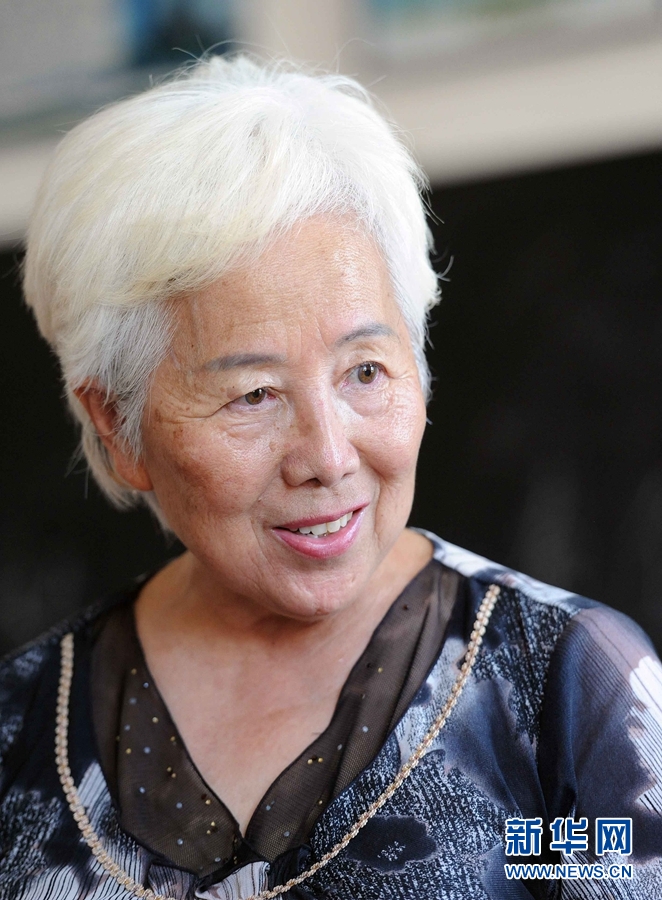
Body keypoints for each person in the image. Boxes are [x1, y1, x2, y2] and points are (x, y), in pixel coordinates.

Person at [1, 55, 661, 900]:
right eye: (254, 395)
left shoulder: (567, 691)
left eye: (365, 371)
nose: (330, 455)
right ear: (115, 424)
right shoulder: (21, 727)